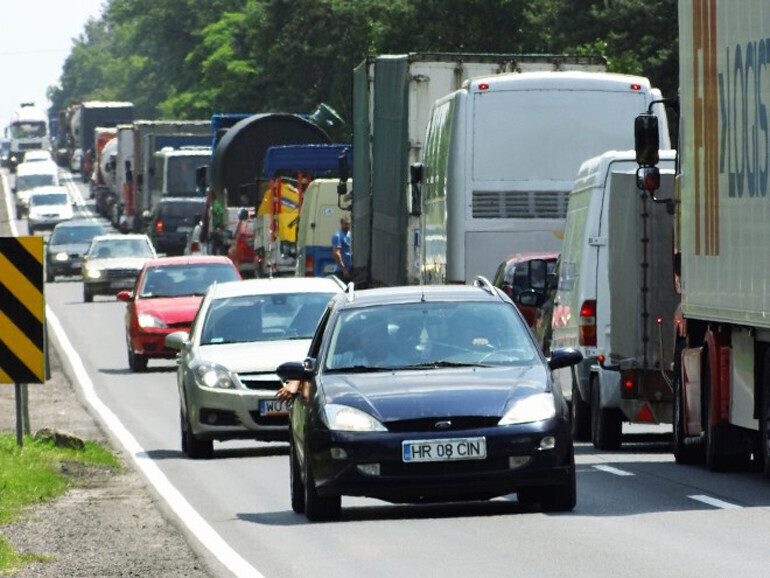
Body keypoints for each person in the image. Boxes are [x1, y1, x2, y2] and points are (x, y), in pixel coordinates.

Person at [331, 214, 351, 282]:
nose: (347, 226)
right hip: (342, 271)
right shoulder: (337, 236)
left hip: (350, 269)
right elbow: (337, 254)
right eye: (346, 224)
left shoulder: (350, 234)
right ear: (341, 223)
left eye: (349, 224)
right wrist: (344, 270)